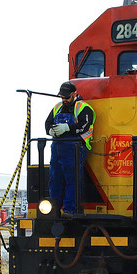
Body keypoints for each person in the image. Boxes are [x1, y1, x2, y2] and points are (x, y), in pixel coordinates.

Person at [45, 81, 95, 217]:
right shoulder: (57, 107)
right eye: (62, 97)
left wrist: (67, 128)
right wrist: (51, 131)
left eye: (66, 97)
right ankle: (54, 210)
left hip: (75, 147)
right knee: (55, 179)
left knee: (72, 179)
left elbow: (84, 125)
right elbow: (47, 123)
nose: (64, 100)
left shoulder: (84, 108)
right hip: (57, 148)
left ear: (74, 94)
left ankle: (69, 210)